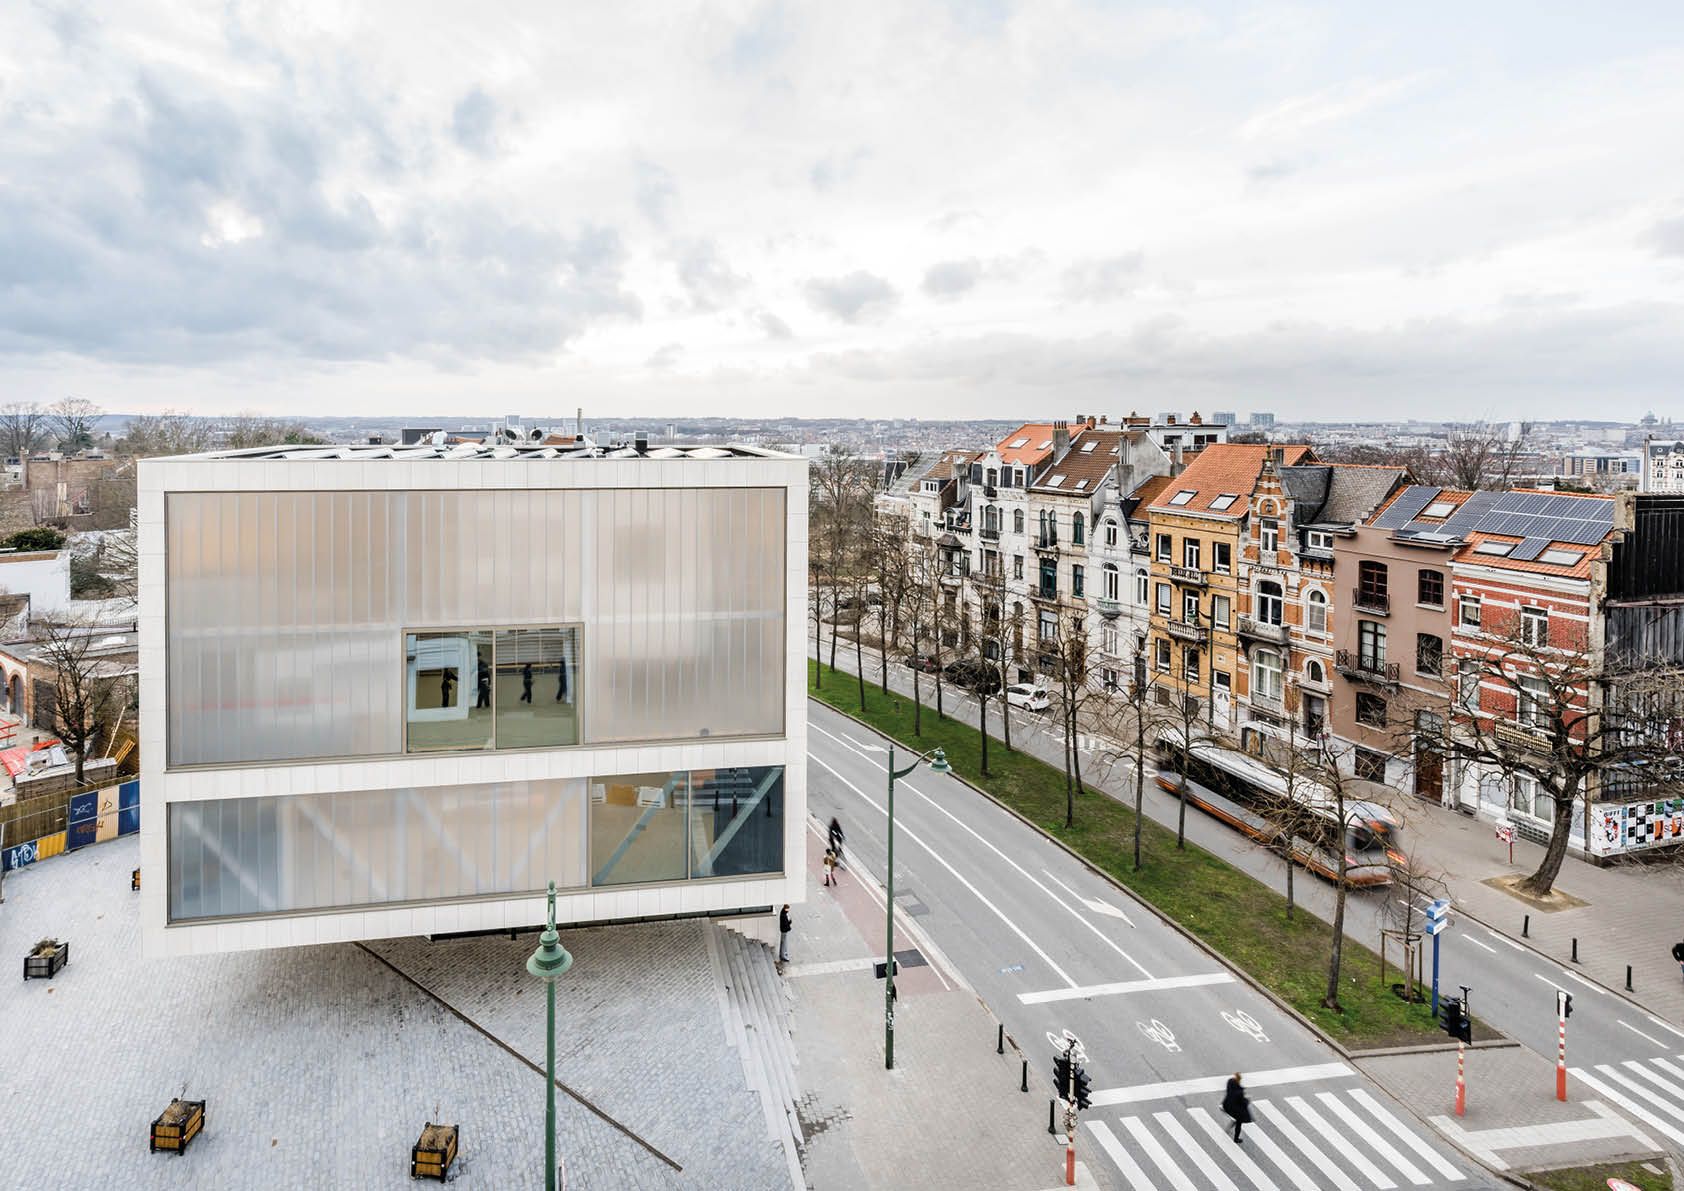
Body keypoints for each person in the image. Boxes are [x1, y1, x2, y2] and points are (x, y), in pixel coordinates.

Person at [1223, 1073, 1251, 1143]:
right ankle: (1236, 1139)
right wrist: (1247, 1100)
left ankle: (1228, 1128)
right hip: (1236, 1110)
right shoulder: (1239, 1092)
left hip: (1227, 1105)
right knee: (1239, 1124)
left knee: (1235, 1119)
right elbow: (1243, 1102)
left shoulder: (1230, 1082)